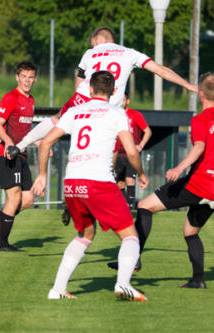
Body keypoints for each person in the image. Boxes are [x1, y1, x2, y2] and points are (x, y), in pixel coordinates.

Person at [11, 26, 196, 223]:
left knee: (57, 121)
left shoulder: (90, 53)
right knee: (104, 158)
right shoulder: (129, 53)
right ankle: (97, 204)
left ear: (96, 39)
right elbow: (160, 70)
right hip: (108, 110)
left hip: (83, 101)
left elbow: (79, 82)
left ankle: (21, 146)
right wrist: (188, 85)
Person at [32, 71, 150, 301]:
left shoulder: (75, 112)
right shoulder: (117, 113)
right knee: (130, 236)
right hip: (98, 182)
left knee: (85, 234)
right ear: (115, 91)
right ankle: (123, 284)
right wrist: (141, 173)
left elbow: (45, 142)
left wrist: (43, 176)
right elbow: (131, 151)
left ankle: (57, 289)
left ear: (90, 89)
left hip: (72, 183)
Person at [109, 73, 214, 288]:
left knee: (144, 206)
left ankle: (134, 259)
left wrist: (179, 167)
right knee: (190, 231)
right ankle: (198, 280)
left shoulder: (201, 119)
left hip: (200, 183)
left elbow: (200, 146)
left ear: (200, 93)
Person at [0, 61, 36, 252]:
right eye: (24, 77)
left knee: (28, 200)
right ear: (17, 77)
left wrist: (41, 142)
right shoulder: (11, 97)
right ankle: (2, 244)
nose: (27, 81)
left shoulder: (30, 100)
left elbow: (26, 132)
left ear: (35, 79)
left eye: (31, 77)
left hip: (23, 156)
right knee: (14, 199)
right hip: (8, 156)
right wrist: (9, 143)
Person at [114, 92, 152, 208]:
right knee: (119, 183)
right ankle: (122, 207)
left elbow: (148, 131)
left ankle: (130, 206)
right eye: (120, 100)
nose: (121, 103)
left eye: (124, 100)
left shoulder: (135, 115)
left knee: (130, 180)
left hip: (131, 154)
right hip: (117, 154)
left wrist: (140, 145)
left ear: (128, 101)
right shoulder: (114, 115)